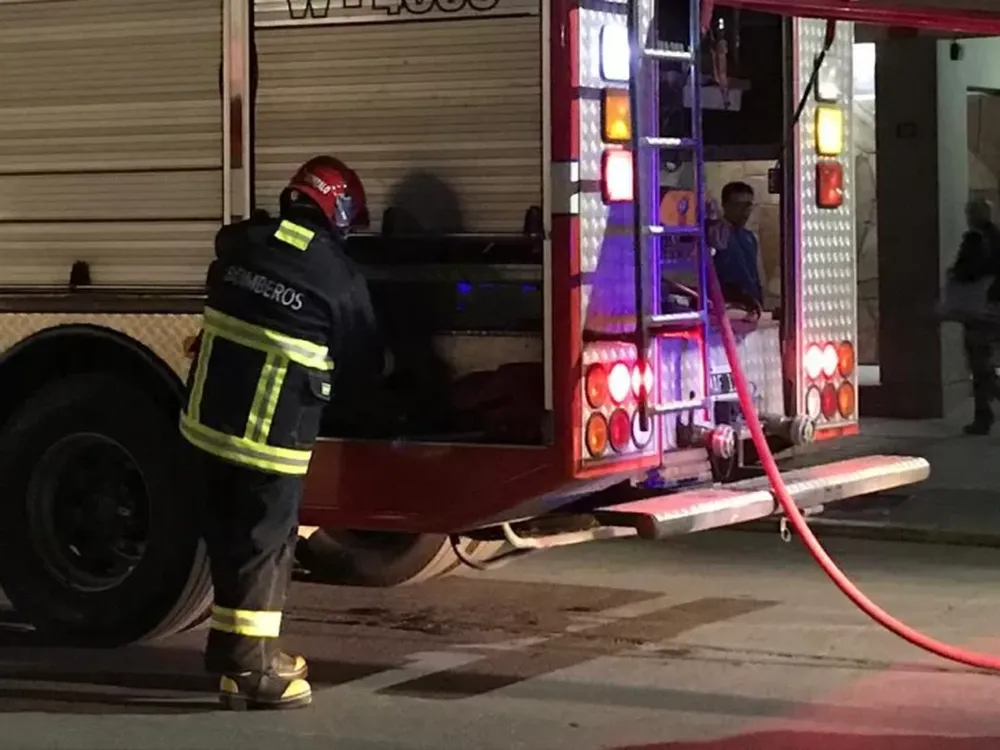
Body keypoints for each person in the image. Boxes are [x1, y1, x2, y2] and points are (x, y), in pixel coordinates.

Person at [180, 156, 390, 710]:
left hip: (206, 427)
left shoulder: (243, 245)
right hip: (268, 439)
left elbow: (228, 257)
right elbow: (362, 365)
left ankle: (234, 660)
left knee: (230, 544)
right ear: (340, 213)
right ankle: (251, 671)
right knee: (263, 548)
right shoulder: (338, 277)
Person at [951, 198, 1000, 434]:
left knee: (979, 365)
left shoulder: (974, 240)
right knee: (983, 363)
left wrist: (955, 274)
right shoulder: (996, 238)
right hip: (994, 308)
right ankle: (983, 415)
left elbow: (967, 272)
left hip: (979, 311)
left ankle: (983, 415)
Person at [710, 181, 765, 315]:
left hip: (752, 308)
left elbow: (754, 275)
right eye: (737, 205)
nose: (743, 212)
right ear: (725, 205)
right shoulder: (716, 234)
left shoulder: (749, 237)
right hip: (726, 308)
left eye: (747, 206)